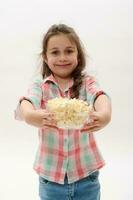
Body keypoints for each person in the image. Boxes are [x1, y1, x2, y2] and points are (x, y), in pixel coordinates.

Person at [15, 24, 111, 200]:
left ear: (77, 55)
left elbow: (99, 95)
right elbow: (27, 101)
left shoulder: (86, 83)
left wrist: (105, 114)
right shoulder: (40, 85)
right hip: (51, 179)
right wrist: (29, 115)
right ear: (45, 57)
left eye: (69, 51)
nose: (62, 58)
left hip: (86, 176)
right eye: (55, 52)